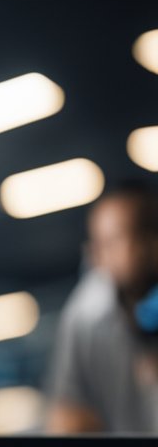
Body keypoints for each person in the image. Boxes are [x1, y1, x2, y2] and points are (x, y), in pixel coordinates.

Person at [47, 179, 158, 433]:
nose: (101, 255)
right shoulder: (85, 315)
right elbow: (66, 415)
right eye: (100, 244)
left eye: (115, 240)